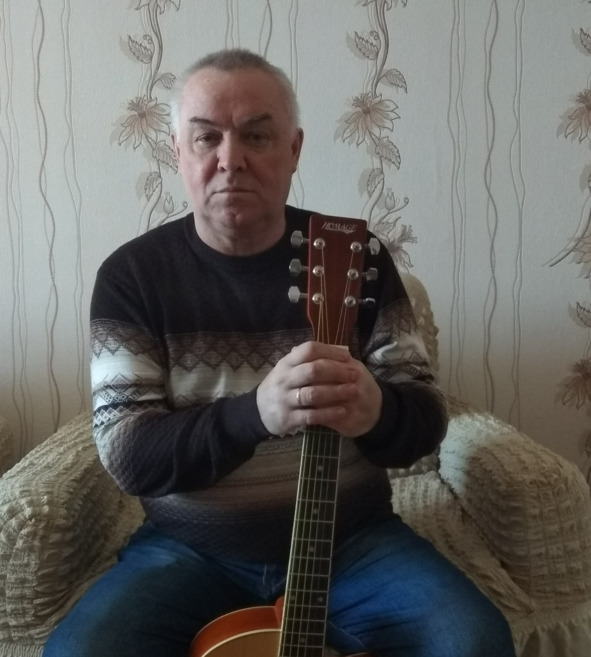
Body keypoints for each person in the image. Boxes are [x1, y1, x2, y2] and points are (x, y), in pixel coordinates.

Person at [44, 48, 516, 657]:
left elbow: (423, 424)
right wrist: (257, 414)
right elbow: (129, 457)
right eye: (206, 137)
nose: (230, 159)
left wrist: (377, 410)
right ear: (177, 150)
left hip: (351, 541)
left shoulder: (357, 258)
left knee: (473, 640)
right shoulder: (131, 278)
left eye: (256, 135)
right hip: (190, 548)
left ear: (293, 149)